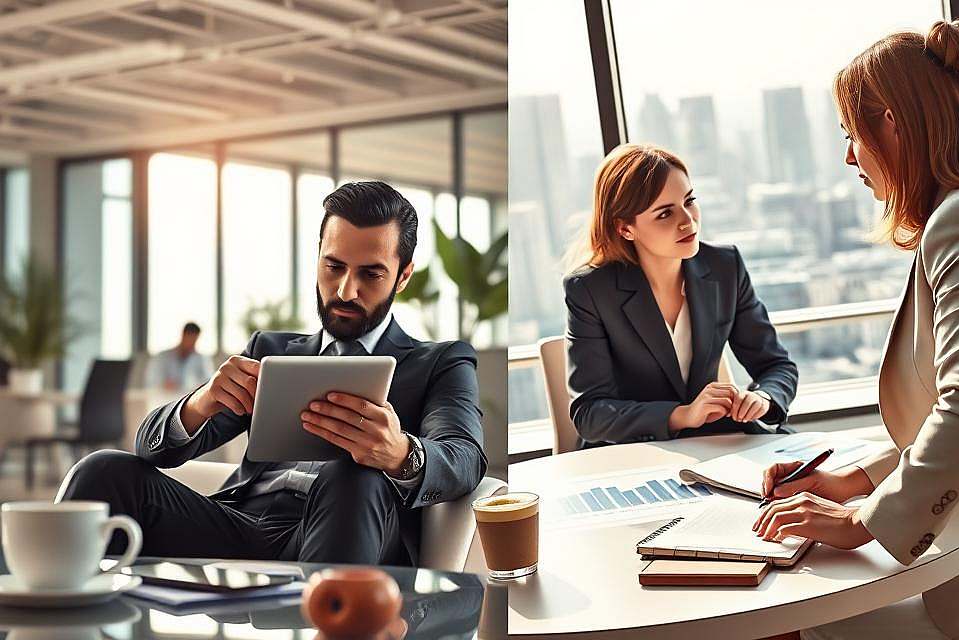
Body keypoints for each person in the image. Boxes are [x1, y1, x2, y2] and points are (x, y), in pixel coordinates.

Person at [753, 21, 959, 639]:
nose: (850, 156)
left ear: (894, 123)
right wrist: (857, 479)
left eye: (853, 133)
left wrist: (860, 522)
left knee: (813, 624)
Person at [61, 181, 488, 566]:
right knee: (102, 470)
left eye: (370, 274)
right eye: (333, 266)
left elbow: (465, 457)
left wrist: (398, 452)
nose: (345, 291)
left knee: (351, 472)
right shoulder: (269, 350)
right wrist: (203, 400)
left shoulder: (440, 361)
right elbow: (151, 449)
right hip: (236, 525)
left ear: (403, 276)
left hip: (342, 525)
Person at [563, 143, 798, 449]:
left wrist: (762, 398)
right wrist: (681, 415)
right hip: (634, 453)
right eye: (664, 214)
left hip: (716, 441)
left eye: (690, 201)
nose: (688, 220)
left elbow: (776, 366)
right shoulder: (590, 290)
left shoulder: (725, 266)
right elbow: (590, 413)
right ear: (625, 229)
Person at [145, 322, 213, 392]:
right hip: (164, 397)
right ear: (183, 335)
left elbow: (209, 382)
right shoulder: (162, 357)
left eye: (195, 341)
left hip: (191, 398)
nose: (192, 344)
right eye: (190, 339)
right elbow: (151, 382)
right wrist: (163, 384)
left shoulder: (202, 359)